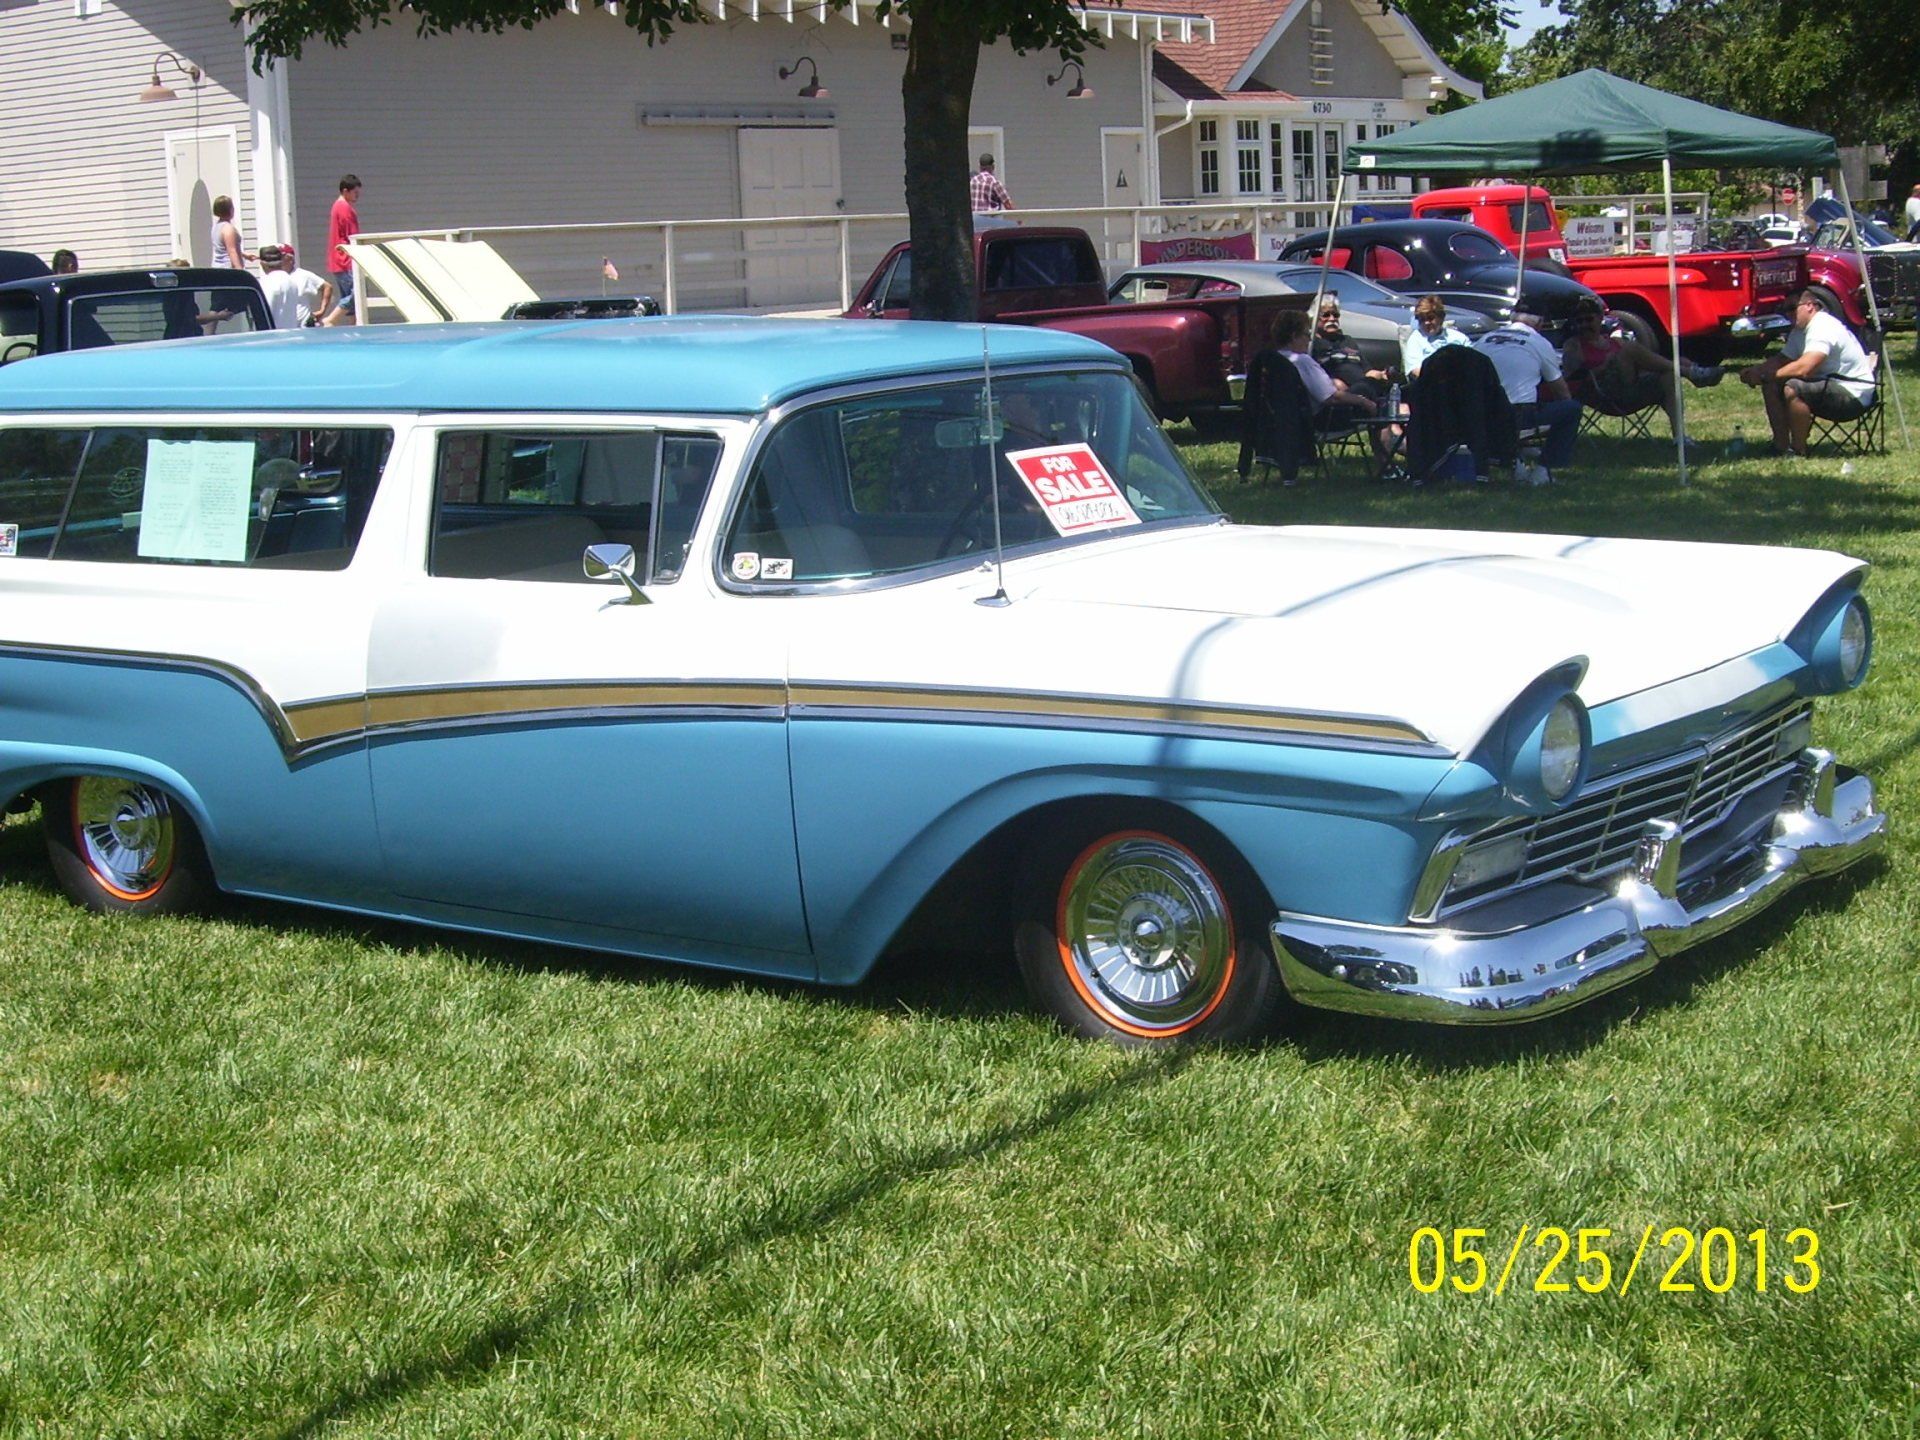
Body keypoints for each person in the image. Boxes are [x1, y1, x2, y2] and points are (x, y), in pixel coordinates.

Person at [1560, 294, 1720, 448]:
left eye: (1589, 319)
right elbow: (1572, 378)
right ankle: (1690, 372)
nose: (1584, 325)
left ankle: (1679, 438)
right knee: (1628, 350)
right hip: (1603, 394)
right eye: (1580, 321)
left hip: (1630, 390)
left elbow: (1641, 367)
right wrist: (1603, 365)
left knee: (1669, 375)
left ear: (1600, 319)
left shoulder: (1613, 341)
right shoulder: (1573, 345)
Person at [1738, 288, 1877, 456]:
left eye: (1792, 308)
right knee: (1771, 385)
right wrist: (1756, 371)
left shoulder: (1823, 326)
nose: (1788, 314)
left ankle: (1798, 450)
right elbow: (1782, 360)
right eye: (1785, 309)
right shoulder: (1800, 330)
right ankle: (1780, 446)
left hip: (1854, 395)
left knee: (1793, 387)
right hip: (1828, 385)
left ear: (1810, 306)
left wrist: (1766, 375)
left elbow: (1806, 367)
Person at [1473, 312, 1582, 479]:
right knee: (1571, 409)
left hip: (1479, 414)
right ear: (1539, 324)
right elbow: (1561, 392)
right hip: (1518, 415)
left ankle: (1517, 456)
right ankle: (1543, 470)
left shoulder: (1484, 339)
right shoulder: (1538, 342)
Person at [1310, 299, 1404, 472]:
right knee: (1374, 397)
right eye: (1326, 315)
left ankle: (1394, 457)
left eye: (1335, 314)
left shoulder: (1347, 341)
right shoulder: (1313, 346)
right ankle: (1396, 454)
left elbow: (1367, 371)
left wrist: (1383, 374)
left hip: (1366, 392)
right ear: (1314, 318)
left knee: (1395, 391)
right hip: (1341, 406)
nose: (1332, 318)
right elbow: (1321, 383)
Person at [258, 243, 335, 330]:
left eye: (281, 256)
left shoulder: (302, 275)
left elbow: (327, 287)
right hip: (287, 330)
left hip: (303, 328)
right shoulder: (279, 280)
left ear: (290, 258)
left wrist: (322, 311)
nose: (278, 259)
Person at [1400, 295, 1470, 380]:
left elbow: (1474, 364)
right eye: (1422, 319)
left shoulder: (1460, 338)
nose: (1426, 323)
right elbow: (1416, 371)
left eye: (1430, 318)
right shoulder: (1416, 339)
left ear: (1441, 317)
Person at [326, 174, 363, 324]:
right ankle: (330, 319)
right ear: (345, 191)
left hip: (337, 258)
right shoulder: (345, 208)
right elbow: (352, 235)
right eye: (355, 193)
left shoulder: (337, 206)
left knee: (349, 296)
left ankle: (354, 326)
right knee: (357, 294)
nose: (357, 196)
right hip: (345, 258)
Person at [210, 196, 247, 269]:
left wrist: (244, 255)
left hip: (217, 267)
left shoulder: (216, 227)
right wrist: (240, 272)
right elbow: (232, 251)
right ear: (230, 210)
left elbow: (224, 249)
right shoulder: (228, 228)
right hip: (228, 269)